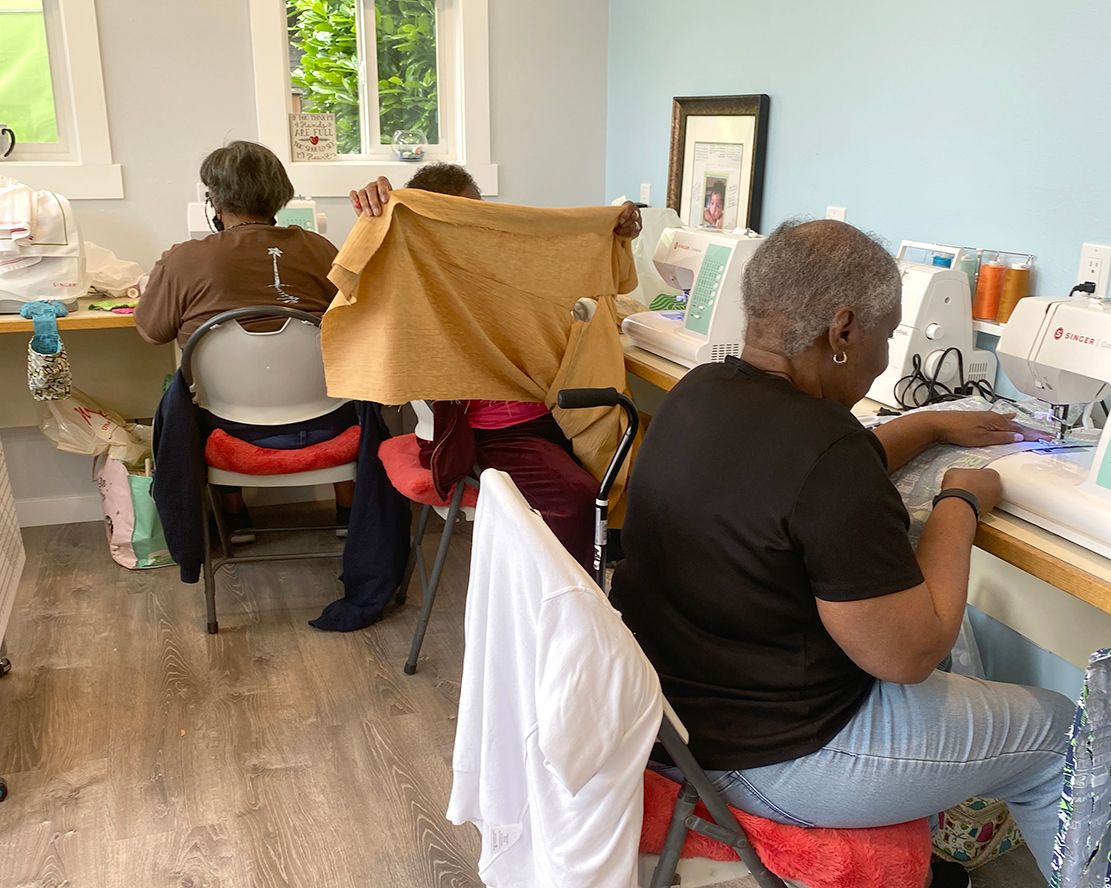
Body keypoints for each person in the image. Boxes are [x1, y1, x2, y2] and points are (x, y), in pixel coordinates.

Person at [609, 219, 1072, 887]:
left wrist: (929, 423)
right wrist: (959, 503)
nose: (885, 358)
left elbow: (803, 474)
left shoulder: (699, 394)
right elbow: (908, 655)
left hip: (677, 721)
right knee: (1061, 733)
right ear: (843, 330)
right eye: (885, 337)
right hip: (776, 762)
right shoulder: (823, 452)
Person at [347, 165, 641, 570]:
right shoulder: (419, 279)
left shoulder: (509, 268)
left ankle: (619, 586)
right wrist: (376, 216)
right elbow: (367, 292)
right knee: (578, 499)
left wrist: (609, 234)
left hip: (553, 412)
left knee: (654, 462)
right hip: (494, 432)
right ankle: (573, 611)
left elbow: (572, 269)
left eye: (479, 220)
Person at [136, 141, 354, 540]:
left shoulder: (184, 258)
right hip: (330, 425)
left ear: (214, 200)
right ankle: (349, 508)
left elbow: (152, 332)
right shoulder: (322, 249)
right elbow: (357, 328)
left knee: (193, 394)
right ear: (279, 196)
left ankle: (234, 517)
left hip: (226, 434)